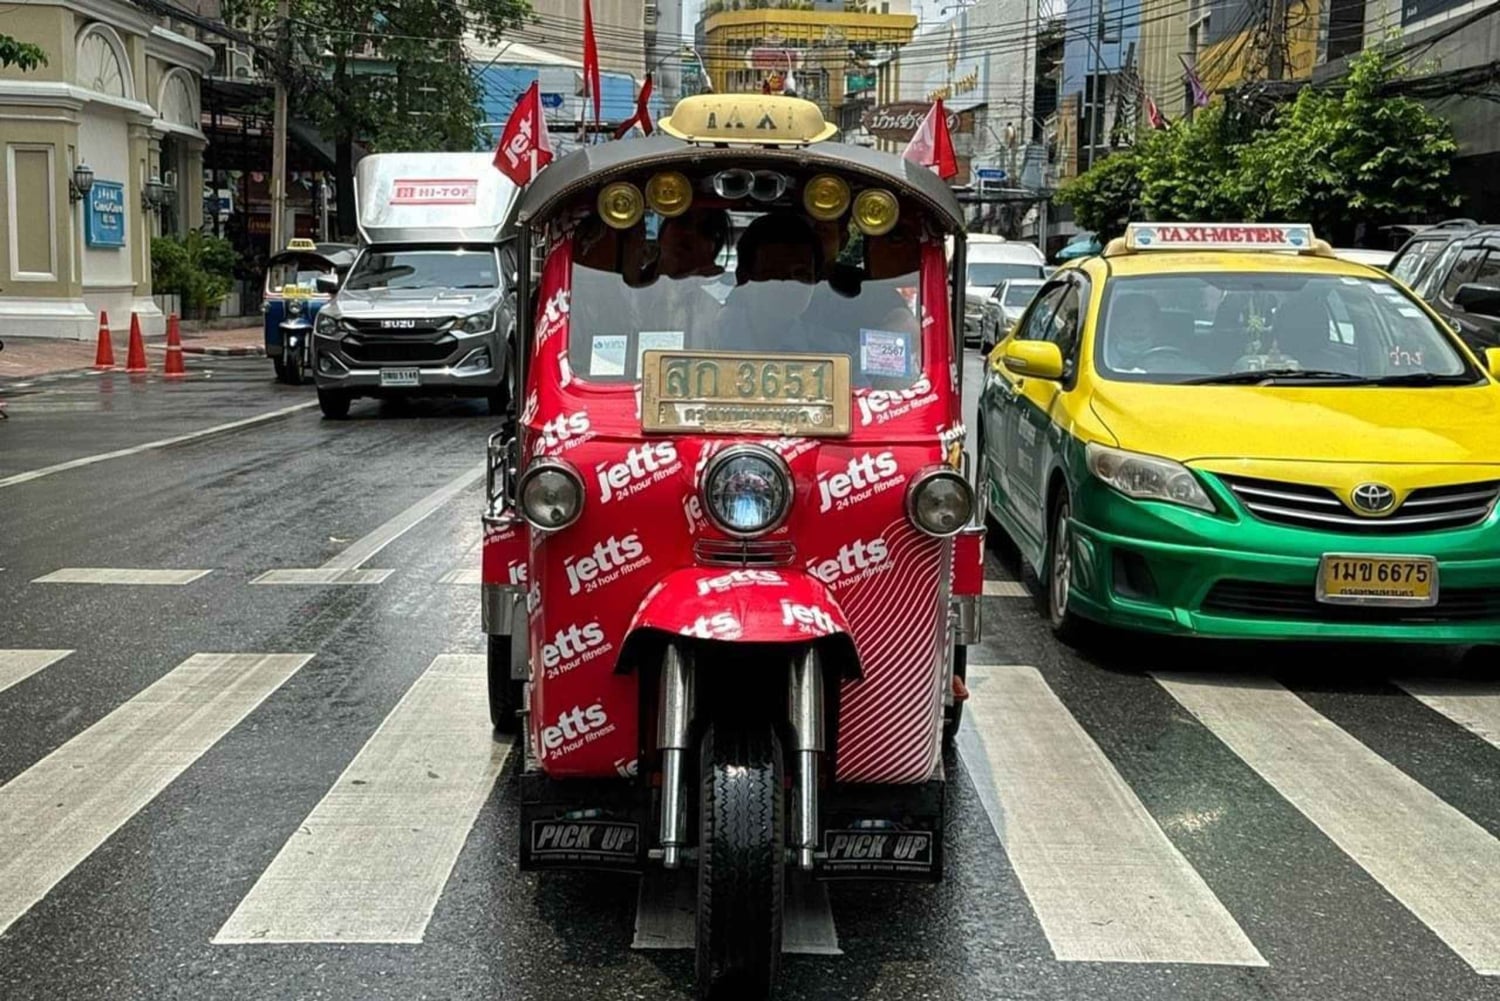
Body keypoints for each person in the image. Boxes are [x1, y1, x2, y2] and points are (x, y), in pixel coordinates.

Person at [713, 213, 822, 352]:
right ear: (743, 278)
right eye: (773, 274)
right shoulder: (704, 340)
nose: (788, 286)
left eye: (801, 274)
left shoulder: (839, 351)